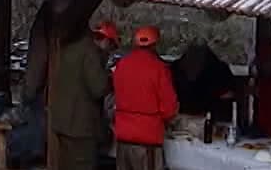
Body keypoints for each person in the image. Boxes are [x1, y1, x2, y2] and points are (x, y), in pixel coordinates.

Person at [49, 21, 117, 170]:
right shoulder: (91, 53)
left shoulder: (72, 48)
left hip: (62, 122)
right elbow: (98, 88)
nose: (110, 52)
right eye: (111, 47)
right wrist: (110, 79)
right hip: (80, 128)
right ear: (106, 40)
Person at [114, 26, 179, 170]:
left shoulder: (121, 65)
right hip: (148, 139)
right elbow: (169, 108)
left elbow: (116, 94)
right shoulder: (159, 68)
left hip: (123, 137)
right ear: (155, 44)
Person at [172, 42, 237, 121]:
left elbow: (227, 96)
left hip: (185, 117)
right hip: (187, 117)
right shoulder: (220, 69)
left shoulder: (219, 71)